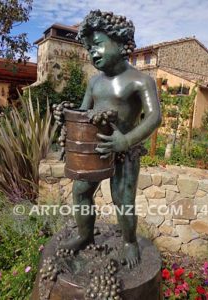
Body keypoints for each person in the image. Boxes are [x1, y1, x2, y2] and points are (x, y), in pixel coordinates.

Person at [60, 10, 161, 269]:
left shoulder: (141, 81)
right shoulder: (94, 83)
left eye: (98, 45)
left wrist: (125, 142)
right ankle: (85, 235)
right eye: (89, 48)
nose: (93, 53)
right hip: (94, 150)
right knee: (80, 191)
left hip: (125, 150)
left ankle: (129, 242)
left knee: (123, 199)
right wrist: (66, 117)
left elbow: (154, 118)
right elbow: (84, 113)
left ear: (119, 42)